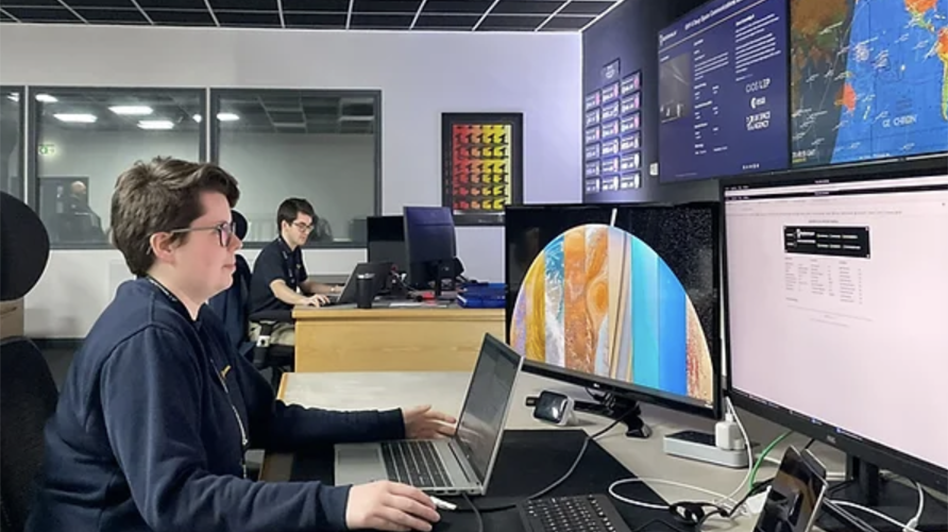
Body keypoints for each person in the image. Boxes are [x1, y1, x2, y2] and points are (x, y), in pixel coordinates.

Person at [26, 157, 456, 532]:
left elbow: (268, 420)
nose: (236, 243)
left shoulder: (196, 317)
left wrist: (392, 424)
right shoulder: (148, 340)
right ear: (165, 245)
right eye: (220, 231)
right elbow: (177, 502)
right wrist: (340, 504)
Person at [248, 197, 334, 346]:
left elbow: (306, 285)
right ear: (285, 225)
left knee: (327, 331)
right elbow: (279, 289)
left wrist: (337, 290)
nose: (306, 232)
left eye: (309, 227)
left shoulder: (294, 251)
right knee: (315, 342)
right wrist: (304, 300)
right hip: (266, 326)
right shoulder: (272, 254)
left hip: (284, 320)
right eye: (301, 226)